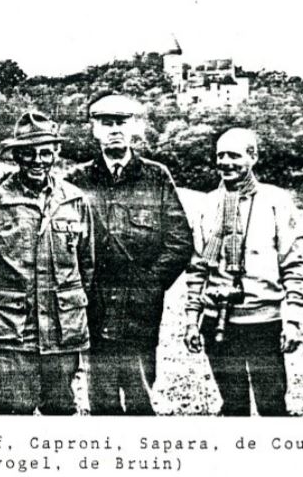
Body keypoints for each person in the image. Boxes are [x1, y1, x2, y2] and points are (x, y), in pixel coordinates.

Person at [66, 94, 194, 415]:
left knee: (141, 398)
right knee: (102, 399)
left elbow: (180, 241)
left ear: (134, 127)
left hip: (140, 309)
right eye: (106, 123)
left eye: (122, 122)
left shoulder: (156, 177)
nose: (114, 130)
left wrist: (150, 284)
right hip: (93, 306)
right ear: (94, 129)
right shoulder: (76, 181)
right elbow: (63, 244)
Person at [0, 111, 95, 414]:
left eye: (45, 153)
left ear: (56, 153)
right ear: (16, 155)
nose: (37, 161)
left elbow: (86, 263)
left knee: (61, 407)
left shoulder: (75, 200)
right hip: (12, 328)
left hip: (62, 328)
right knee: (15, 407)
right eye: (28, 153)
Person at [184, 128, 303, 416]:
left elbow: (294, 265)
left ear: (253, 157)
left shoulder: (276, 201)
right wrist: (192, 320)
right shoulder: (207, 204)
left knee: (272, 405)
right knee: (232, 406)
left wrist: (292, 321)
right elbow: (197, 267)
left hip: (263, 323)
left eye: (234, 155)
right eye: (220, 156)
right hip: (217, 321)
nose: (226, 162)